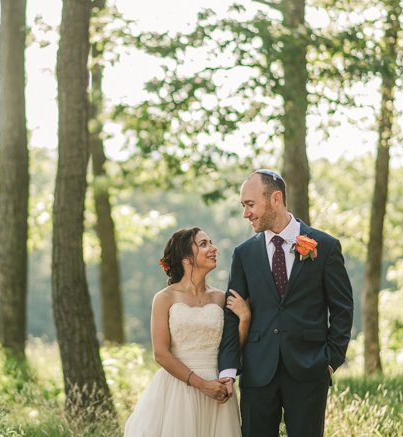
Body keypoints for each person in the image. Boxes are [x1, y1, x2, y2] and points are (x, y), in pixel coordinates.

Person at [218, 169, 354, 437]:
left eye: (250, 204)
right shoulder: (243, 254)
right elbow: (231, 314)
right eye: (243, 206)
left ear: (275, 199)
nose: (246, 213)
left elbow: (342, 309)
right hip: (257, 372)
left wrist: (330, 361)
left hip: (310, 369)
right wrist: (228, 368)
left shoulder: (325, 246)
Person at [124, 227, 251, 437]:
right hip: (179, 388)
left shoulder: (221, 298)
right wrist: (201, 385)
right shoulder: (164, 298)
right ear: (185, 258)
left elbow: (232, 349)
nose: (213, 248)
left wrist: (245, 319)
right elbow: (160, 354)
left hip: (219, 389)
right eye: (203, 244)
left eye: (210, 242)